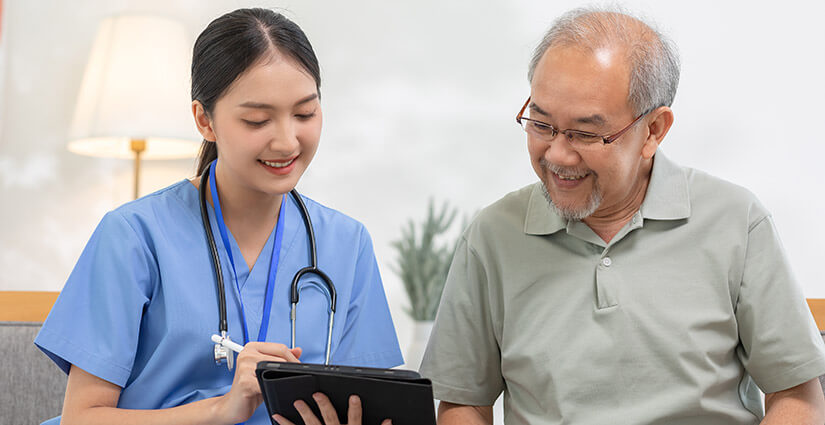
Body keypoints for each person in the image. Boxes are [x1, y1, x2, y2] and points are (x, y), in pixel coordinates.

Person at [419, 6, 825, 425]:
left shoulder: (737, 222)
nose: (557, 154)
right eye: (541, 124)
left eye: (586, 133)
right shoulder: (492, 235)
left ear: (653, 131)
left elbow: (797, 395)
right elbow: (462, 402)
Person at [35, 8, 402, 425]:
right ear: (204, 120)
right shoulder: (134, 236)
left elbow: (368, 406)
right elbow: (81, 418)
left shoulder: (347, 244)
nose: (286, 141)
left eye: (304, 114)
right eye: (257, 120)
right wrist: (222, 409)